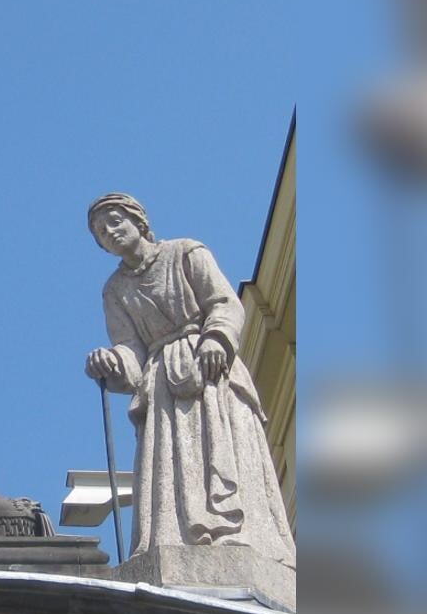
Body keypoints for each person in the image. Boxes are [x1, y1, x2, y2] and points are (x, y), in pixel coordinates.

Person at [84, 193, 295, 565]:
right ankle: (175, 540)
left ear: (138, 220)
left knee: (224, 451)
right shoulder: (115, 290)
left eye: (115, 221)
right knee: (172, 466)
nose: (110, 232)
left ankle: (240, 534)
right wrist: (112, 362)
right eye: (101, 232)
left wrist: (216, 337)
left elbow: (224, 302)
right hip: (163, 382)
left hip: (210, 368)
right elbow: (131, 349)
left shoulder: (186, 252)